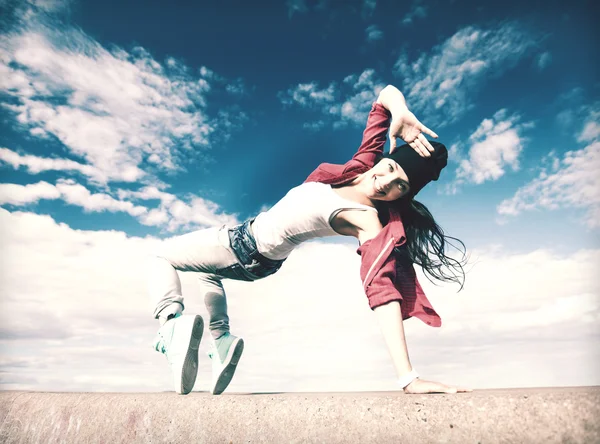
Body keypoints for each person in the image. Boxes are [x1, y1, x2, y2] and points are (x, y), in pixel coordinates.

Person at [147, 84, 471, 396]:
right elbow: (383, 98)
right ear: (384, 159)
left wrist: (408, 377)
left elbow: (381, 289)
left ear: (405, 195)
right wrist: (400, 110)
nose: (385, 182)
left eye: (399, 185)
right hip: (255, 255)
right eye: (388, 169)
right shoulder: (359, 167)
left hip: (243, 247)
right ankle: (221, 341)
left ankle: (170, 326)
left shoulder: (366, 219)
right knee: (206, 272)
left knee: (161, 256)